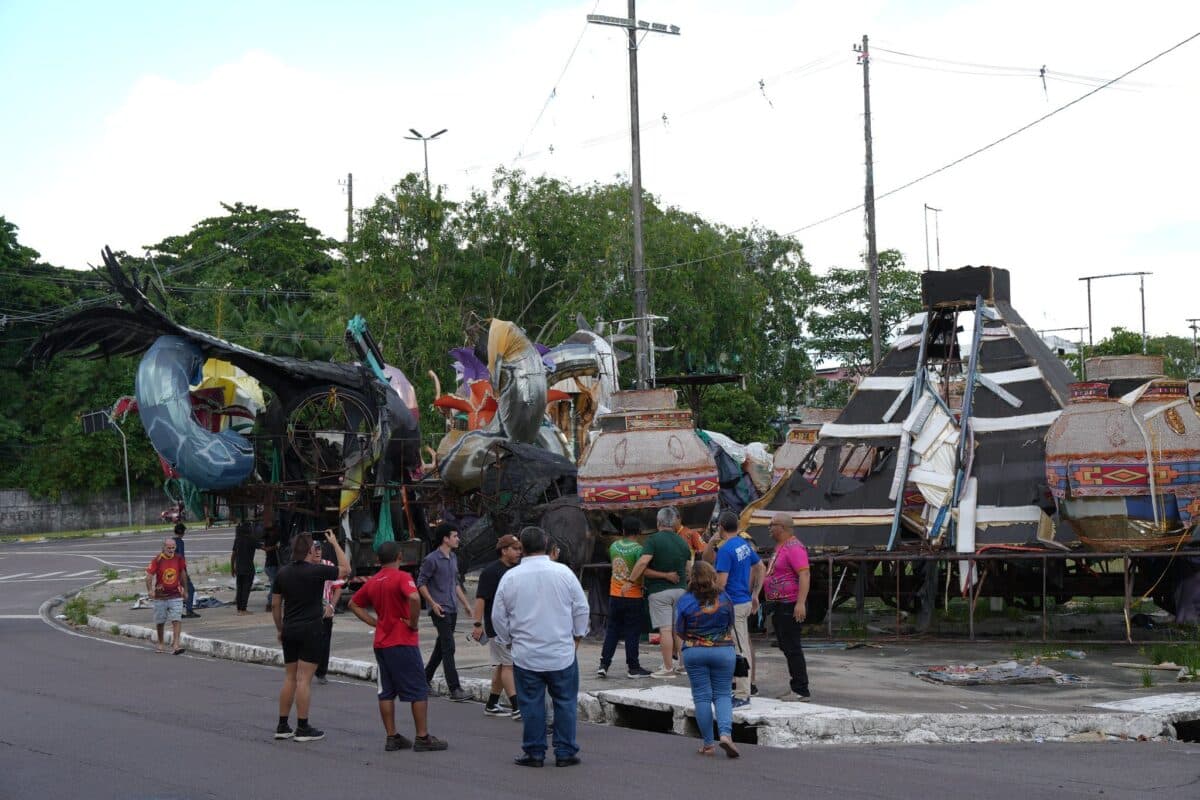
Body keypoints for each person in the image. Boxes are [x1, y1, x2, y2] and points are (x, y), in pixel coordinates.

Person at [492, 526, 589, 768]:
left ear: (522, 548)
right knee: (565, 702)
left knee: (532, 704)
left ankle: (534, 752)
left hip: (526, 654)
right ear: (546, 545)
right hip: (561, 652)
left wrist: (508, 639)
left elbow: (498, 617)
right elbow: (581, 608)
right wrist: (577, 636)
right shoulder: (564, 573)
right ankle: (565, 751)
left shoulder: (510, 577)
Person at [349, 541, 449, 752]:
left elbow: (353, 604)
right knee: (419, 689)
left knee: (386, 691)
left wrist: (374, 622)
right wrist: (413, 622)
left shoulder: (373, 581)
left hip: (381, 642)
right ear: (400, 557)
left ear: (378, 560)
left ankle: (392, 736)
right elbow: (414, 597)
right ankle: (422, 737)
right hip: (403, 641)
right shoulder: (403, 577)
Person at [272, 530, 349, 742]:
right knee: (304, 679)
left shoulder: (282, 573)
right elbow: (346, 569)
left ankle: (282, 725)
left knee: (290, 677)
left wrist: (280, 628)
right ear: (308, 551)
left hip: (289, 628)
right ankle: (303, 727)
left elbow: (276, 605)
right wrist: (334, 543)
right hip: (311, 629)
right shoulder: (317, 570)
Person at [675, 561, 739, 758]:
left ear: (691, 579)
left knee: (702, 697)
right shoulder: (725, 598)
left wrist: (695, 638)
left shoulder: (685, 600)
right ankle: (726, 735)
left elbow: (680, 630)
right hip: (723, 651)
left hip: (694, 652)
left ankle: (708, 745)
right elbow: (730, 623)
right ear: (713, 576)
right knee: (723, 694)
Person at [628, 507, 693, 677]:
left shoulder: (653, 540)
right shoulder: (682, 542)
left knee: (665, 630)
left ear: (658, 522)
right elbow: (688, 569)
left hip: (659, 592)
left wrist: (630, 581)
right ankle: (683, 665)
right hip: (681, 590)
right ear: (674, 522)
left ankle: (668, 667)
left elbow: (643, 562)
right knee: (679, 629)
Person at [709, 510, 763, 707]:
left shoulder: (725, 550)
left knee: (740, 650)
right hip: (743, 601)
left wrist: (709, 597)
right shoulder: (743, 544)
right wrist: (755, 593)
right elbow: (760, 567)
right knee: (737, 647)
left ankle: (742, 694)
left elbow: (721, 583)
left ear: (720, 527)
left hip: (734, 605)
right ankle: (738, 689)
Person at [417, 523, 476, 702]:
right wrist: (432, 604)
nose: (458, 539)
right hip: (439, 609)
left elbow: (455, 583)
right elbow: (421, 583)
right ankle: (455, 689)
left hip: (452, 608)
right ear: (445, 538)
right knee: (449, 646)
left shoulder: (453, 557)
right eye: (455, 536)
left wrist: (466, 604)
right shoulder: (431, 559)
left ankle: (423, 680)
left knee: (441, 646)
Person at [472, 533, 523, 717]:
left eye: (520, 549)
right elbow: (480, 599)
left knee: (502, 665)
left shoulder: (518, 569)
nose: (519, 552)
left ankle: (492, 703)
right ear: (504, 550)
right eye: (515, 549)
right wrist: (477, 624)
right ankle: (517, 707)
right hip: (498, 627)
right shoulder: (490, 572)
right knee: (509, 665)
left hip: (514, 626)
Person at [597, 516, 652, 679]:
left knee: (612, 631)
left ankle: (604, 665)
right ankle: (633, 668)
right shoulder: (639, 549)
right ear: (639, 532)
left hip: (615, 595)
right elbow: (641, 569)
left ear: (622, 531)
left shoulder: (614, 546)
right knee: (632, 632)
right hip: (633, 595)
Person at [764, 512, 811, 701]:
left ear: (781, 527)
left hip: (790, 603)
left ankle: (800, 689)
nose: (769, 528)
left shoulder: (794, 547)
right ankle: (797, 686)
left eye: (772, 525)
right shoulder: (781, 546)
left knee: (792, 646)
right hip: (780, 604)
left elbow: (804, 574)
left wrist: (800, 603)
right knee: (785, 645)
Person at [308, 536, 346, 685]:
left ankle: (321, 672)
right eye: (315, 549)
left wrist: (331, 606)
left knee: (324, 642)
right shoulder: (305, 567)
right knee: (309, 642)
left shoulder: (328, 565)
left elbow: (338, 588)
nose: (318, 552)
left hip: (325, 611)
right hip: (309, 612)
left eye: (319, 549)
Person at [145, 537, 189, 655]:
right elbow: (149, 576)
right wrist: (150, 590)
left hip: (176, 595)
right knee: (160, 621)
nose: (171, 550)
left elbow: (183, 574)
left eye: (173, 548)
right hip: (161, 596)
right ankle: (160, 643)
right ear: (163, 547)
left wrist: (185, 590)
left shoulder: (179, 558)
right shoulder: (157, 559)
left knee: (176, 619)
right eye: (169, 548)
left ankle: (176, 645)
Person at [172, 523, 199, 618]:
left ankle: (176, 611)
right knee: (190, 589)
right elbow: (181, 558)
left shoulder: (170, 542)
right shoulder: (180, 542)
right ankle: (189, 610)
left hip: (171, 570)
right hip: (179, 570)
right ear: (182, 532)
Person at [231, 521, 258, 615]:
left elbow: (233, 555)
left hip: (239, 568)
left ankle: (239, 609)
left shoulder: (237, 540)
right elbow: (265, 548)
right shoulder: (252, 540)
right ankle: (243, 609)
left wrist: (232, 568)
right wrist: (275, 546)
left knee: (240, 589)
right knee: (246, 589)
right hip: (248, 568)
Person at [261, 523, 280, 613]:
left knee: (275, 584)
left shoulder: (269, 539)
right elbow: (267, 549)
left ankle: (272, 602)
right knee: (274, 585)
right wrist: (275, 547)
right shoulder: (271, 540)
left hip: (271, 566)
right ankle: (269, 603)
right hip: (271, 566)